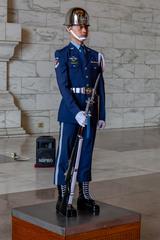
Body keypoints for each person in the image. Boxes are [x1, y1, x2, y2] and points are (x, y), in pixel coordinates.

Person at [54, 7, 106, 216]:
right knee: (64, 155)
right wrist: (76, 112)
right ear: (69, 28)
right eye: (79, 26)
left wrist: (101, 114)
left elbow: (99, 87)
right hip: (70, 112)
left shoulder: (95, 56)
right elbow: (63, 87)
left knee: (86, 154)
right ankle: (63, 195)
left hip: (90, 111)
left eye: (86, 26)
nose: (84, 29)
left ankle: (84, 195)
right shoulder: (62, 54)